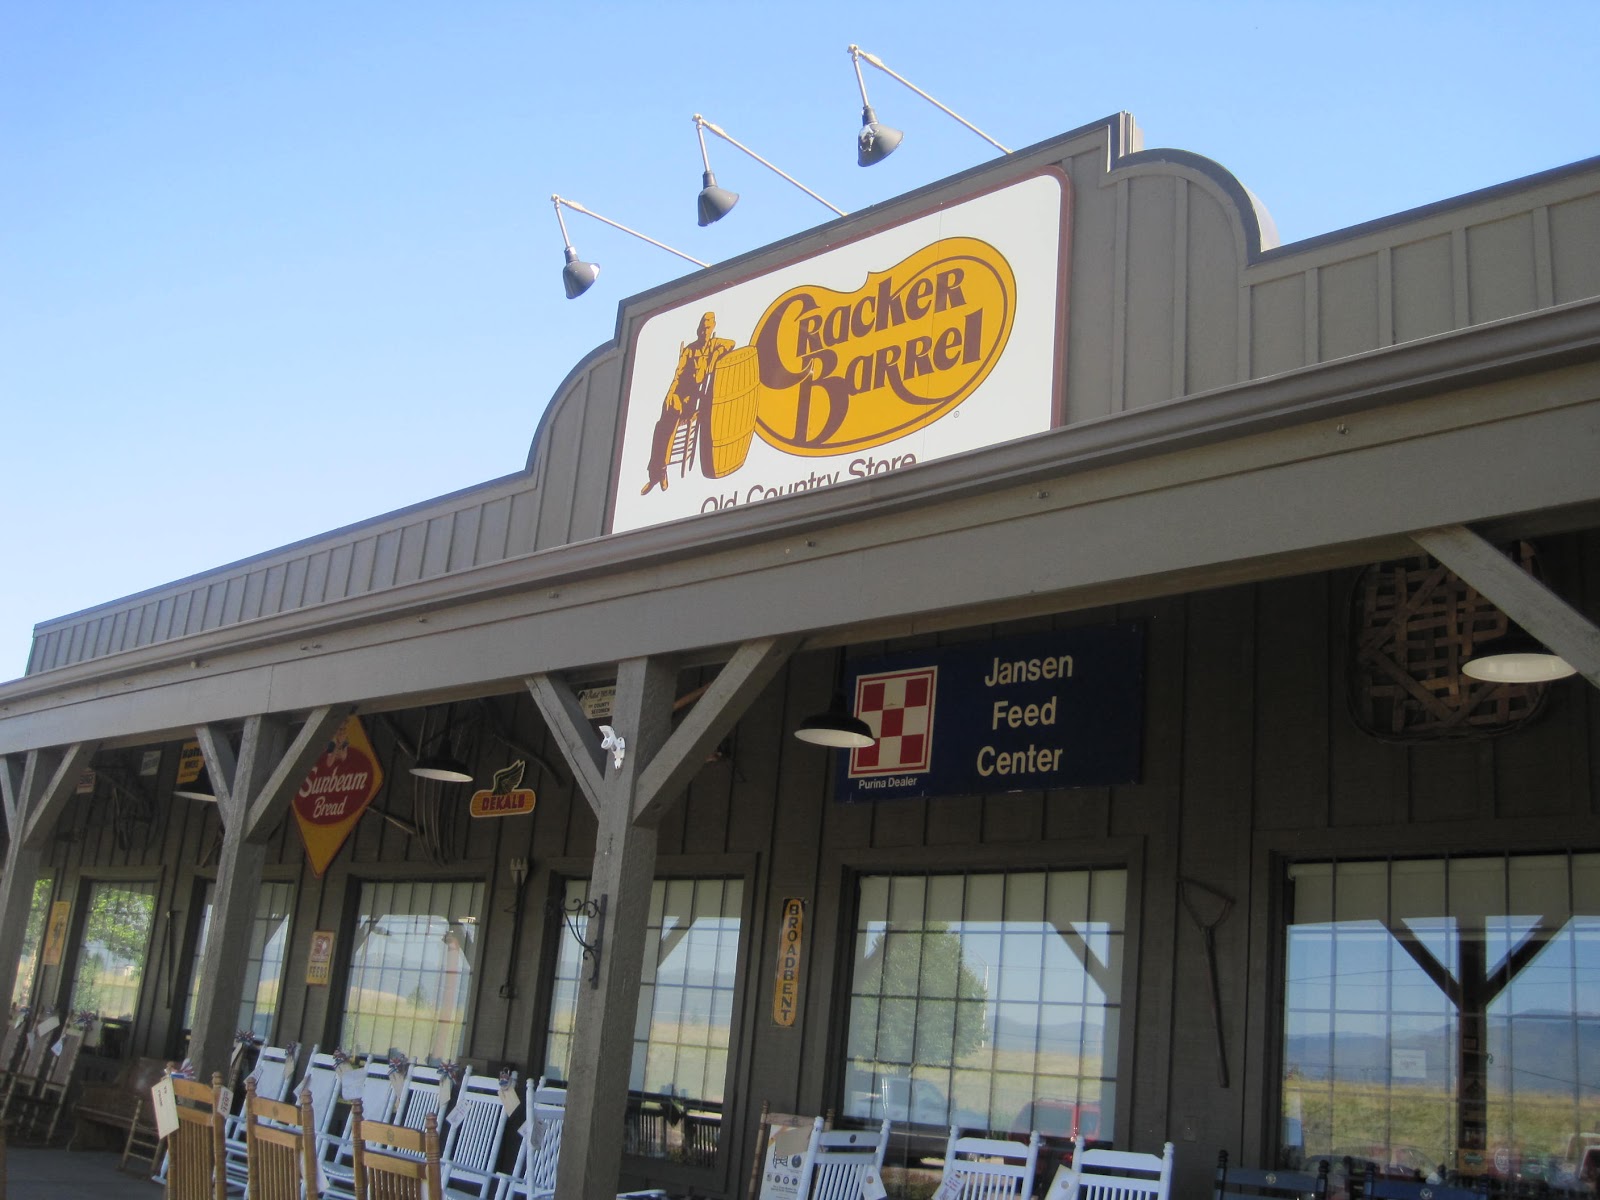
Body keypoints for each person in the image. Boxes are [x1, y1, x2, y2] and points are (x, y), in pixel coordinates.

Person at [641, 311, 735, 494]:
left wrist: (716, 355)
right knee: (662, 425)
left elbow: (731, 343)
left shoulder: (715, 344)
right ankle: (657, 474)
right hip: (681, 395)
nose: (704, 332)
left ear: (713, 328)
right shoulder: (690, 350)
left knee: (667, 423)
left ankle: (659, 473)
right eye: (702, 328)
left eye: (708, 328)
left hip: (695, 401)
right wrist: (670, 394)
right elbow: (678, 375)